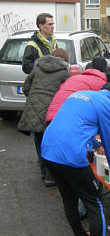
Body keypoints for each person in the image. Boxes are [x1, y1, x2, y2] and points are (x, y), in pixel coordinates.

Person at [41, 85, 110, 236]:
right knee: (94, 203)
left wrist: (95, 144)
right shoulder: (109, 106)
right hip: (71, 156)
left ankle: (80, 234)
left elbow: (77, 127)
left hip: (48, 151)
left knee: (69, 200)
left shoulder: (80, 94)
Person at [17, 49, 70, 187]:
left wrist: (34, 97)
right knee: (51, 143)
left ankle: (43, 171)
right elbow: (67, 93)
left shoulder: (37, 69)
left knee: (39, 140)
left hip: (34, 108)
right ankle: (50, 177)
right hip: (51, 112)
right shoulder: (64, 73)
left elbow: (26, 87)